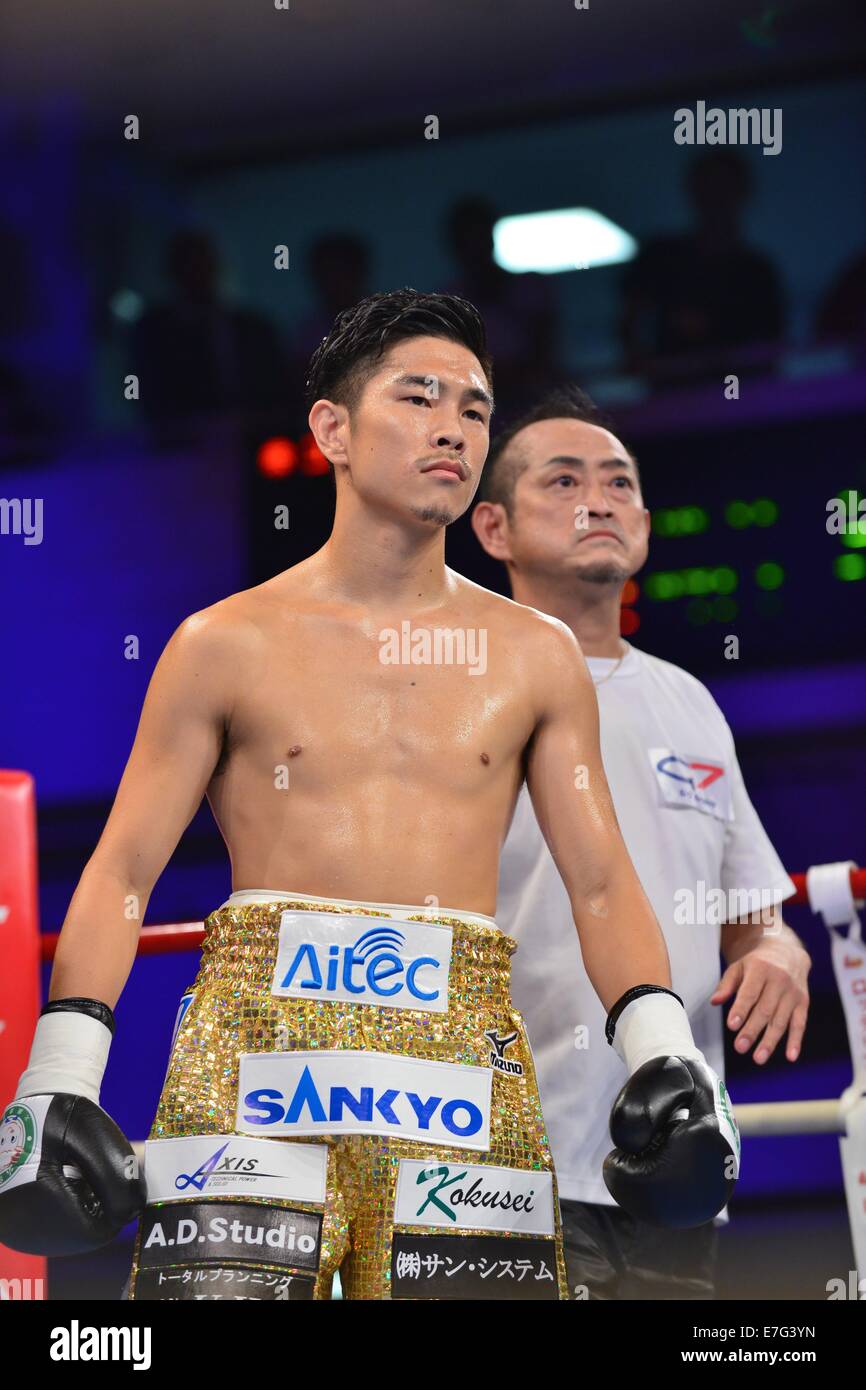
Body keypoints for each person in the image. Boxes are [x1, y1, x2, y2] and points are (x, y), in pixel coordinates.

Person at [0, 293, 738, 1302]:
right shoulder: (222, 644)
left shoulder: (533, 657)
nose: (453, 427)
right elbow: (124, 868)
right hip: (258, 1040)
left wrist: (659, 1053)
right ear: (331, 430)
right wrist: (60, 1074)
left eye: (475, 409)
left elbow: (600, 881)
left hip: (460, 1044)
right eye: (419, 397)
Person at [471, 385, 810, 1299]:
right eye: (566, 480)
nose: (600, 499)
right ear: (493, 527)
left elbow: (752, 912)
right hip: (503, 1163)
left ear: (647, 525)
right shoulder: (456, 689)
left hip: (679, 1159)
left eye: (620, 483)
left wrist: (778, 950)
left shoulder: (690, 702)